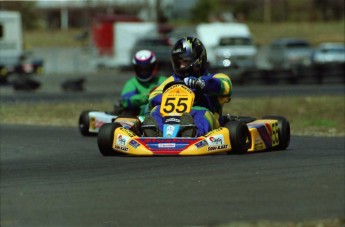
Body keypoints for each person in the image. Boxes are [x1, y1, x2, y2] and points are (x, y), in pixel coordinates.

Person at [142, 36, 232, 137]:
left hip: (203, 116)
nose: (180, 66)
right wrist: (171, 97)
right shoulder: (172, 79)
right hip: (172, 117)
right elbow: (153, 97)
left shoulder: (213, 77)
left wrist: (202, 84)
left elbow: (225, 86)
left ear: (198, 60)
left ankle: (193, 132)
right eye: (178, 62)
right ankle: (156, 132)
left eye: (185, 61)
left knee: (202, 113)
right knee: (156, 110)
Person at [119, 50, 166, 116]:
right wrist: (149, 96)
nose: (143, 72)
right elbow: (126, 100)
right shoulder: (132, 83)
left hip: (163, 115)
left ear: (154, 67)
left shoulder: (163, 81)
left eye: (147, 69)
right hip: (138, 118)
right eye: (140, 69)